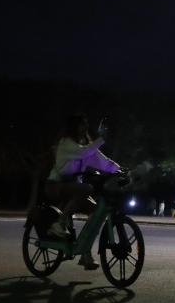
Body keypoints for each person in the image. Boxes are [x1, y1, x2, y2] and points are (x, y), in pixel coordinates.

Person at [44, 114, 121, 270]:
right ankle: (59, 224)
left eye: (86, 124)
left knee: (97, 213)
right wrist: (101, 139)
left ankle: (85, 253)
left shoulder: (85, 147)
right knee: (86, 188)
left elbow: (102, 162)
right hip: (55, 186)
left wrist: (120, 169)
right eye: (81, 124)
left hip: (73, 188)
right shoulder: (66, 143)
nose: (85, 127)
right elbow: (84, 153)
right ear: (73, 127)